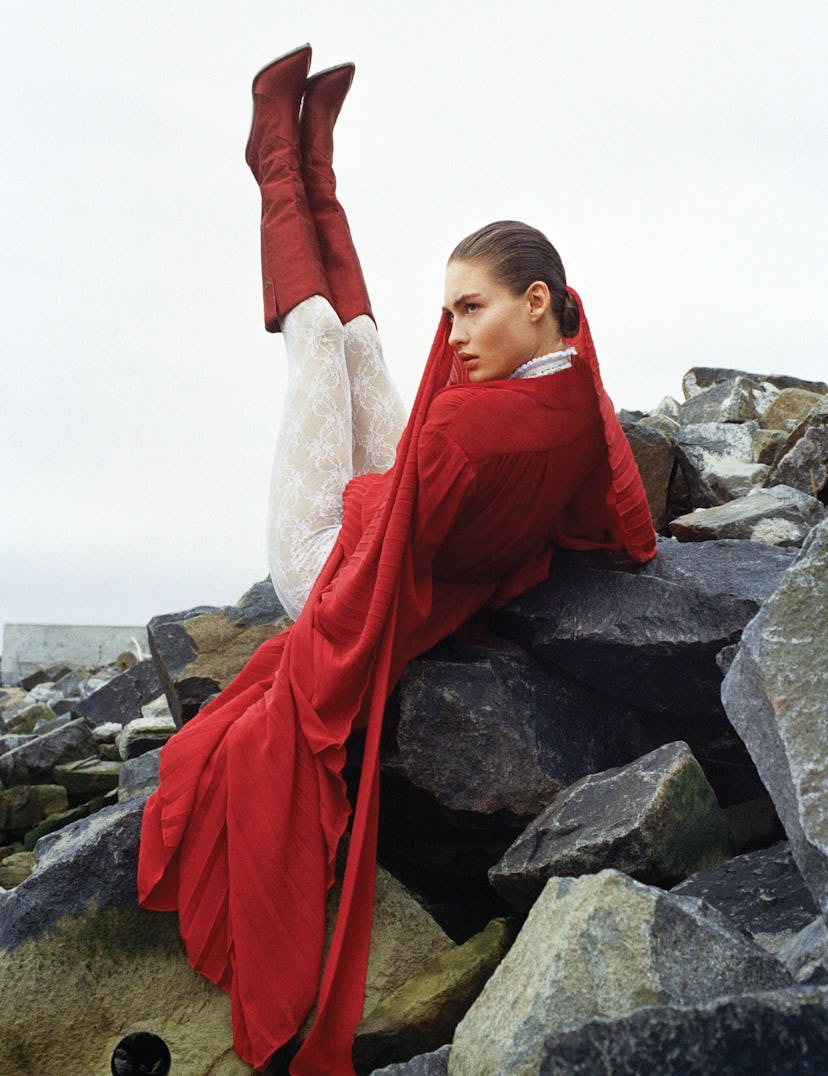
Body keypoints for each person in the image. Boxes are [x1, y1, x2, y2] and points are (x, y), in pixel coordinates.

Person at [137, 44, 657, 1075]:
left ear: (542, 300)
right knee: (370, 347)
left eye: (473, 309)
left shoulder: (477, 430)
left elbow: (386, 561)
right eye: (454, 307)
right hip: (408, 532)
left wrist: (317, 650)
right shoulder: (572, 384)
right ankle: (314, 170)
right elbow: (617, 506)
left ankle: (279, 166)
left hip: (335, 563)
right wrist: (648, 546)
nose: (454, 333)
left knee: (320, 340)